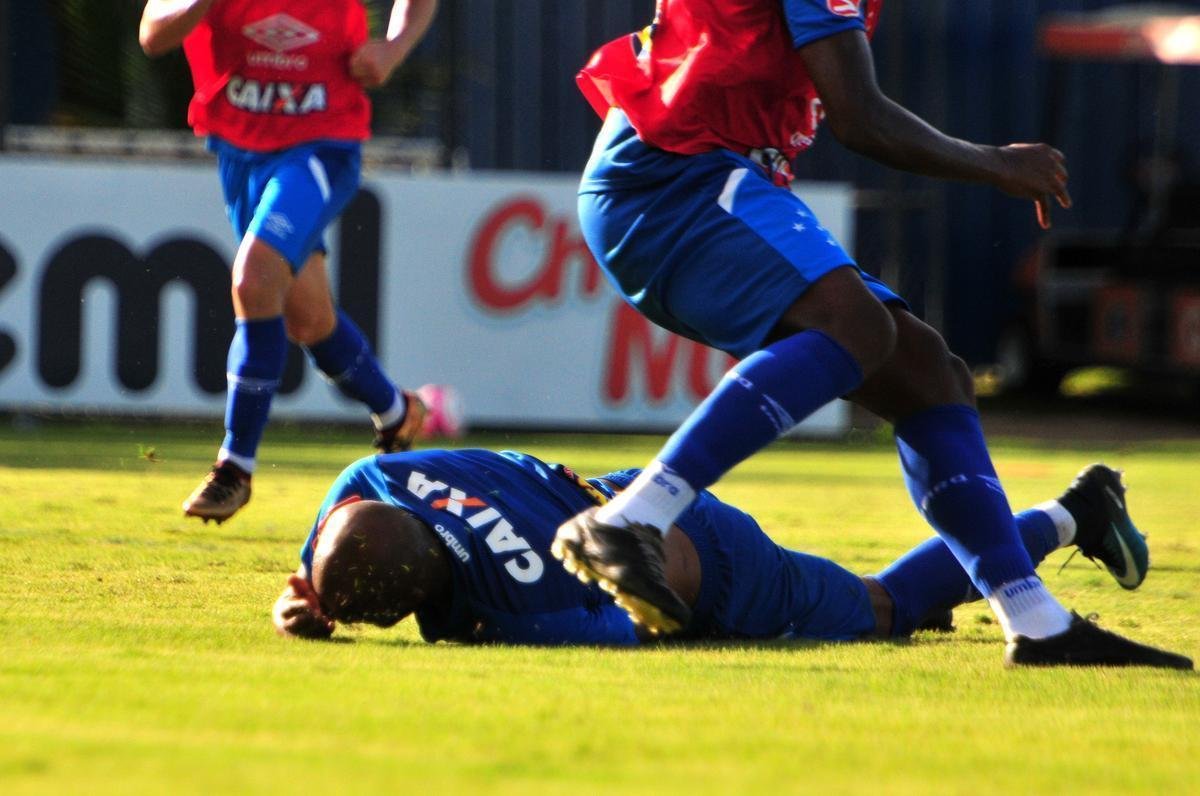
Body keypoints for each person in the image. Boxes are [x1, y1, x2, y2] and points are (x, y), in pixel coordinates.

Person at [549, 0, 1146, 666]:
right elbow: (861, 119)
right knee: (858, 326)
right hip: (671, 176)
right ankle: (632, 519)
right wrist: (996, 163)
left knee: (929, 372)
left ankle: (1036, 623)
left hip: (697, 173)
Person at [272, 448, 1191, 670]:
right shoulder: (375, 477)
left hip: (720, 570)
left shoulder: (516, 612)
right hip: (639, 494)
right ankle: (1061, 520)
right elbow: (350, 509)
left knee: (883, 610)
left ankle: (1071, 514)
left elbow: (646, 627)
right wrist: (316, 584)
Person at [139, 0, 439, 523]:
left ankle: (234, 468)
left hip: (321, 147)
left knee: (254, 280)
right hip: (241, 151)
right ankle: (397, 412)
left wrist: (393, 47)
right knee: (309, 320)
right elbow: (153, 34)